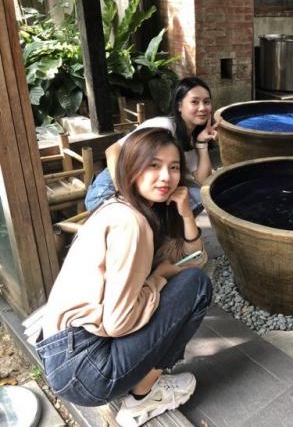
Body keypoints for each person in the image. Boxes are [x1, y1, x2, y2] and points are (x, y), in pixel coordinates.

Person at [36, 128, 213, 426]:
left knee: (187, 280)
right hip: (86, 369)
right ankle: (143, 397)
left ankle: (141, 387)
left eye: (173, 167)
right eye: (153, 165)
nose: (165, 177)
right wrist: (159, 277)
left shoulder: (131, 210)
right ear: (131, 168)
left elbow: (195, 259)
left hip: (65, 358)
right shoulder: (129, 223)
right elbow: (119, 322)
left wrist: (185, 215)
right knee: (196, 287)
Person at [85, 77, 218, 213]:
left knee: (198, 197)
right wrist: (123, 191)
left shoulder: (191, 139)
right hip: (108, 191)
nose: (202, 108)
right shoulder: (163, 126)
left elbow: (202, 181)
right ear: (179, 106)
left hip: (146, 191)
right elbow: (112, 151)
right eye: (194, 102)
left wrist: (202, 143)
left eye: (206, 102)